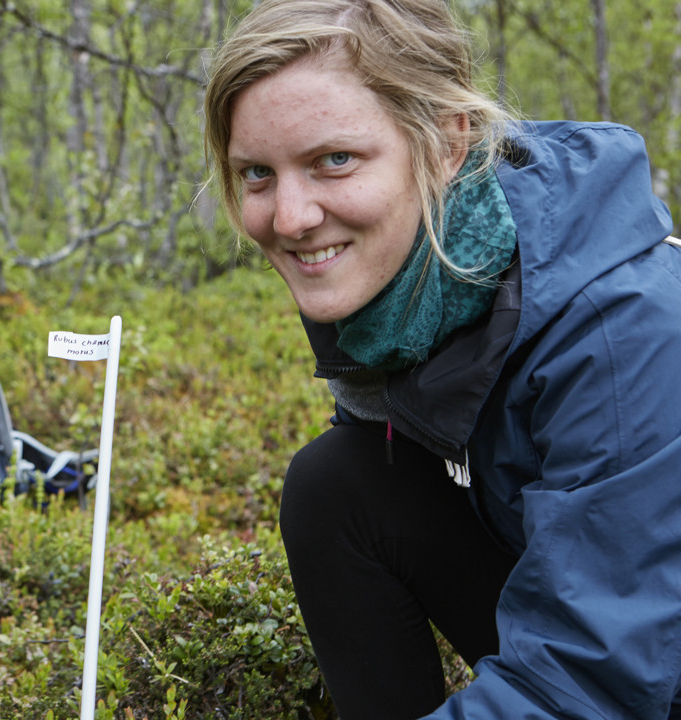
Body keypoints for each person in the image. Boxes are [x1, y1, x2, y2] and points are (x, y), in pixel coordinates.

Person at [203, 0, 680, 717]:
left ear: (446, 142)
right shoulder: (416, 287)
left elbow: (595, 679)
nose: (290, 217)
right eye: (258, 175)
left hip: (641, 664)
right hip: (631, 630)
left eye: (334, 160)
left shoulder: (621, 332)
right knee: (339, 485)